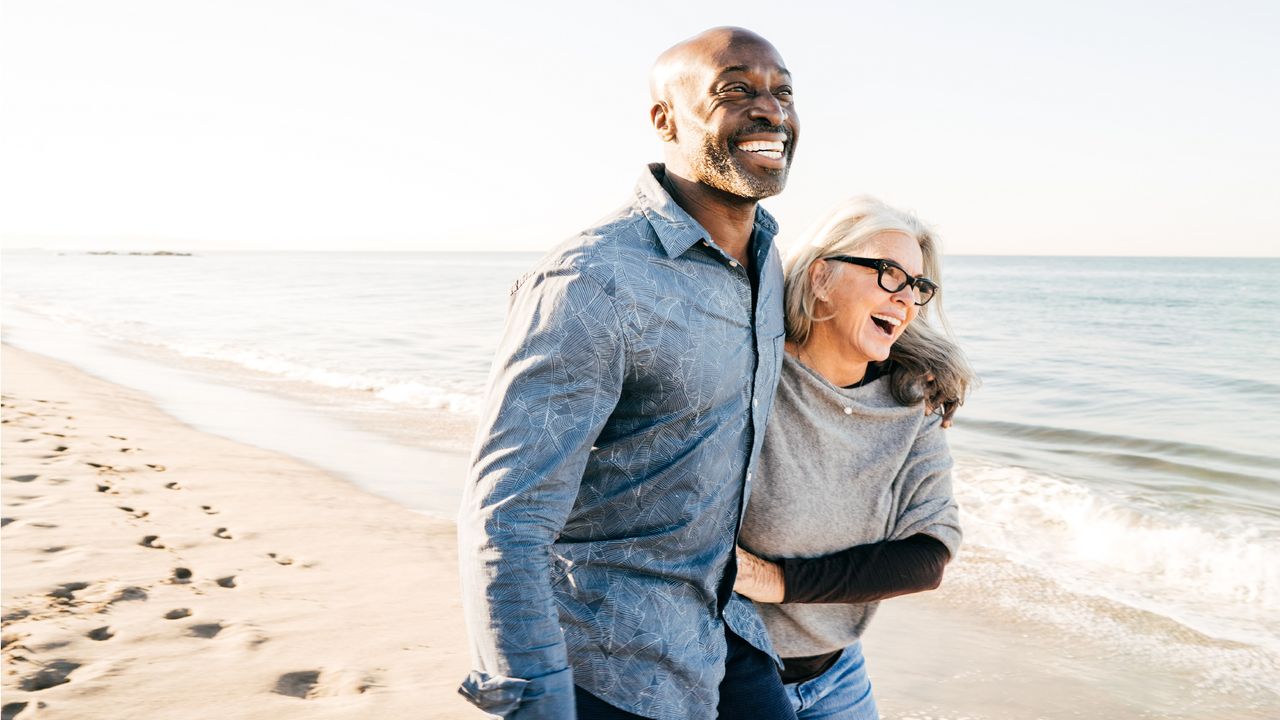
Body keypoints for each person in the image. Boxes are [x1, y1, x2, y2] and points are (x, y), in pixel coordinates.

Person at [457, 27, 802, 720]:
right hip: (604, 661)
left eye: (783, 92)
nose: (770, 110)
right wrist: (536, 700)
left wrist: (926, 377)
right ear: (664, 119)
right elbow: (505, 517)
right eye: (735, 90)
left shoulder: (766, 264)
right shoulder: (593, 282)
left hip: (720, 628)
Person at [731, 196, 976, 719]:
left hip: (837, 676)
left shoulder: (913, 403)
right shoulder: (749, 380)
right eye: (889, 274)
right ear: (821, 277)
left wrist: (776, 581)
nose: (906, 299)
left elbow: (928, 556)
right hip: (724, 669)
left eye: (917, 286)